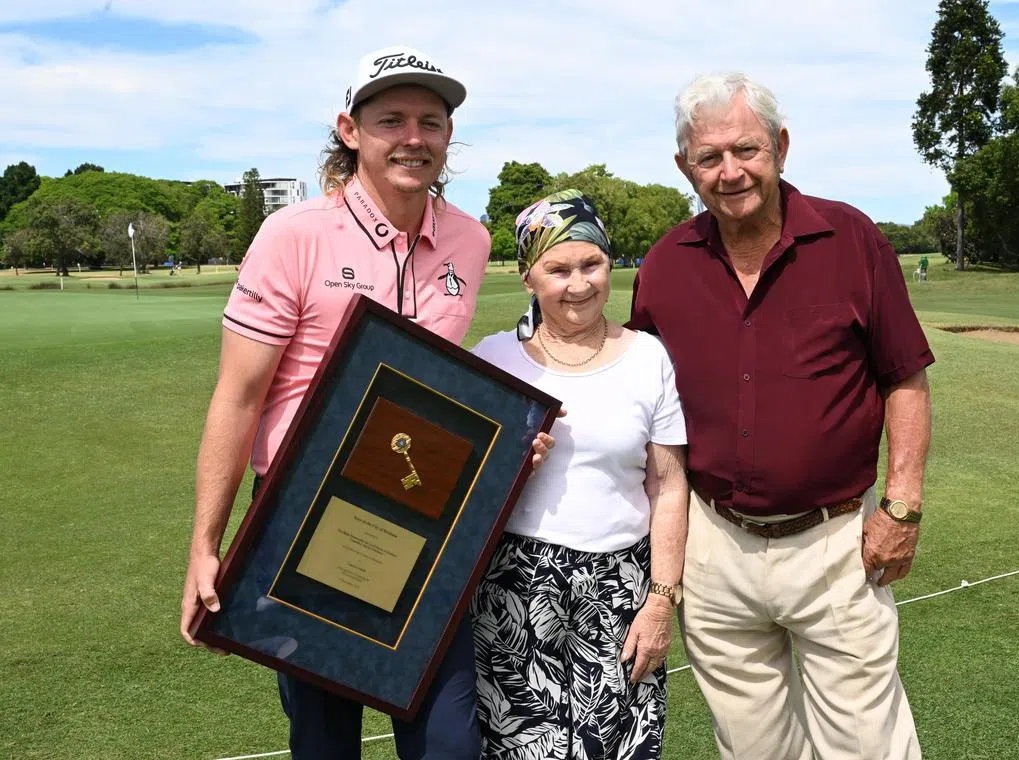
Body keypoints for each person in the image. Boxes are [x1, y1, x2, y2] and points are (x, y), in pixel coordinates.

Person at [178, 46, 553, 760]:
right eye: (392, 120)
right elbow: (238, 398)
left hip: (426, 513)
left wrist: (507, 442)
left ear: (448, 136)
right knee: (324, 741)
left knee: (447, 741)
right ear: (350, 130)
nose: (413, 137)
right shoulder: (293, 235)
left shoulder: (469, 241)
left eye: (430, 121)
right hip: (302, 515)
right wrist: (206, 547)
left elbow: (447, 390)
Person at [629, 73, 934, 760]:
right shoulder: (665, 264)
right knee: (752, 747)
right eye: (709, 158)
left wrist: (903, 506)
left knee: (868, 744)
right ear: (686, 167)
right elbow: (637, 398)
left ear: (781, 148)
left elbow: (904, 376)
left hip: (835, 543)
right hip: (714, 547)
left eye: (747, 149)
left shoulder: (851, 238)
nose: (730, 171)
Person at [470, 189, 689, 760]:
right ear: (528, 278)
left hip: (622, 588)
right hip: (515, 587)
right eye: (558, 268)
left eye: (591, 263)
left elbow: (667, 487)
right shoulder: (494, 360)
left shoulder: (649, 358)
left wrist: (661, 600)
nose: (579, 283)